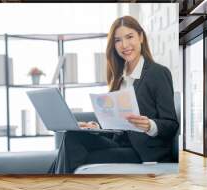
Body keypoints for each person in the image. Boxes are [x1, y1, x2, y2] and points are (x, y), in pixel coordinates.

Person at [49, 16, 179, 174]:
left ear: (141, 37)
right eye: (118, 40)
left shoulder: (157, 73)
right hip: (121, 145)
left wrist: (150, 125)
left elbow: (171, 124)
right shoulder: (119, 78)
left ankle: (52, 188)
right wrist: (96, 127)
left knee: (79, 157)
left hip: (144, 152)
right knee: (72, 137)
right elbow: (116, 123)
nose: (124, 45)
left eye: (129, 37)